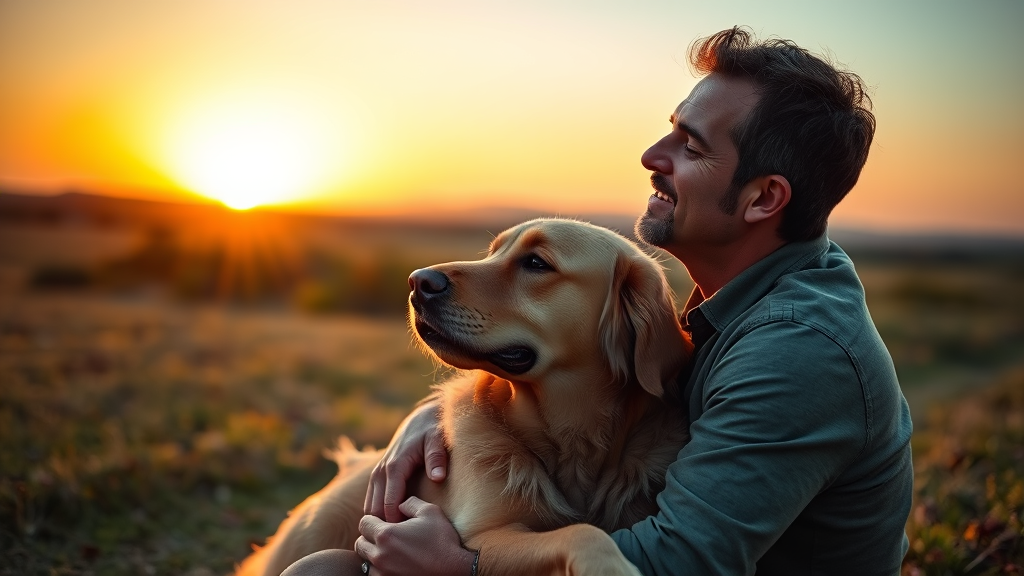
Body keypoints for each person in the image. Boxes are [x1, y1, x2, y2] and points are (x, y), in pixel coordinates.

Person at [351, 26, 913, 575]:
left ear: (763, 198)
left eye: (691, 146)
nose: (651, 155)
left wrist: (464, 565)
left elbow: (675, 562)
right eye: (670, 131)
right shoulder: (743, 296)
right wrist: (438, 417)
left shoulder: (799, 348)